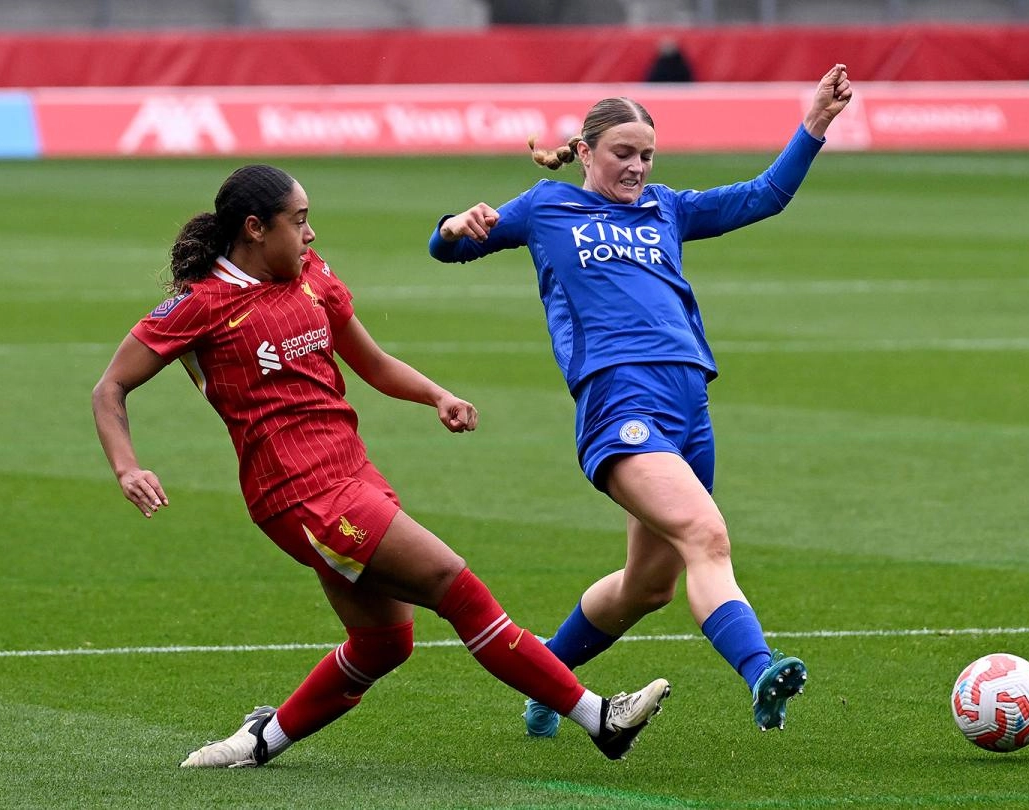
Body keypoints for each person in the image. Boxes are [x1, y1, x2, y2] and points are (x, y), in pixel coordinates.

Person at [92, 164, 669, 768]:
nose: (311, 234)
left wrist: (436, 395)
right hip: (299, 493)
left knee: (382, 643)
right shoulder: (201, 304)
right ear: (256, 228)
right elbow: (110, 389)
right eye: (300, 220)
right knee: (453, 583)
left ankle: (257, 742)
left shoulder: (312, 277)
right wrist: (128, 467)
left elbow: (371, 361)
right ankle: (599, 717)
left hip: (352, 473)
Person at [428, 64, 853, 736]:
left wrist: (815, 124)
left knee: (646, 586)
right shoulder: (546, 207)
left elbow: (764, 196)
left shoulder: (667, 208)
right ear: (587, 151)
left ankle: (547, 685)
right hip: (618, 399)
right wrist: (455, 226)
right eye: (622, 154)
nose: (636, 168)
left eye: (647, 155)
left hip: (689, 405)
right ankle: (761, 671)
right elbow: (446, 249)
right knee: (706, 536)